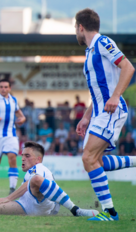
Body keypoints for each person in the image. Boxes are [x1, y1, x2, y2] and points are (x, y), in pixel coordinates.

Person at [75, 8, 136, 221]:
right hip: (100, 111)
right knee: (95, 160)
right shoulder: (90, 51)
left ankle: (110, 212)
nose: (76, 33)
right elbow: (99, 90)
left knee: (88, 157)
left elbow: (128, 67)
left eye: (76, 29)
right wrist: (86, 115)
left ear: (81, 27)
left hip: (111, 110)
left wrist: (116, 96)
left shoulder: (102, 42)